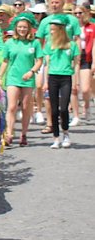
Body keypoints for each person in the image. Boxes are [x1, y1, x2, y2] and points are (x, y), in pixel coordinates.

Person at [0, 13, 42, 147]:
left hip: (28, 78)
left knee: (25, 106)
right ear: (15, 28)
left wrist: (32, 71)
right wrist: (0, 76)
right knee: (11, 106)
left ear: (29, 28)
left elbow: (39, 61)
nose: (22, 29)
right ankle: (9, 133)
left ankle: (24, 133)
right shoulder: (10, 42)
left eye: (24, 27)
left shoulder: (34, 43)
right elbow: (5, 61)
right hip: (13, 77)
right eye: (19, 27)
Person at [43, 15, 80, 149]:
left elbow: (76, 64)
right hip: (53, 77)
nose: (51, 32)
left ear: (61, 29)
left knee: (63, 108)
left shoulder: (72, 45)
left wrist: (76, 81)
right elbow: (46, 64)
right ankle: (56, 138)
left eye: (53, 29)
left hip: (66, 78)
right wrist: (45, 81)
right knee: (53, 110)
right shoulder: (49, 45)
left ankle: (66, 133)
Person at [78, 4, 95, 121]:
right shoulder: (71, 27)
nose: (78, 15)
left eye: (80, 13)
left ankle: (87, 106)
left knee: (85, 88)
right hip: (73, 57)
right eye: (76, 13)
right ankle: (75, 114)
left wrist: (94, 62)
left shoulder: (92, 26)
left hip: (86, 57)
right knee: (73, 88)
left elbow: (94, 45)